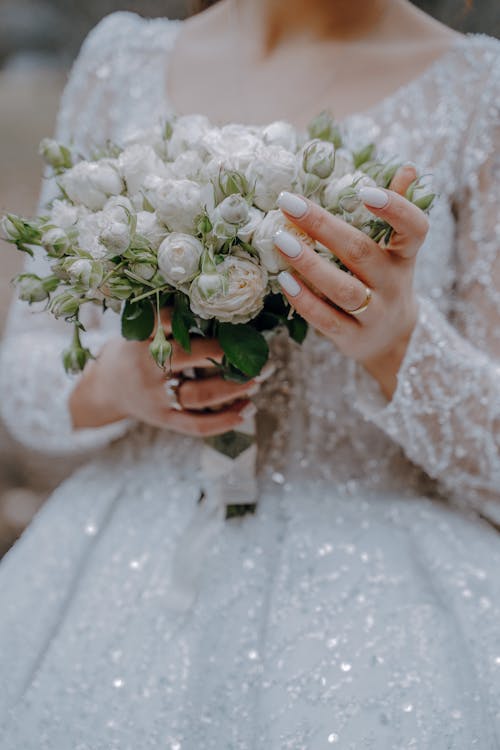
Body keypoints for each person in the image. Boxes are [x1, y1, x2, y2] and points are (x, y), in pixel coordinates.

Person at [0, 0, 499, 746]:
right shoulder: (121, 62)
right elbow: (26, 374)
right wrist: (117, 381)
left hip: (377, 618)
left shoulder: (478, 93)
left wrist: (401, 343)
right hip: (121, 578)